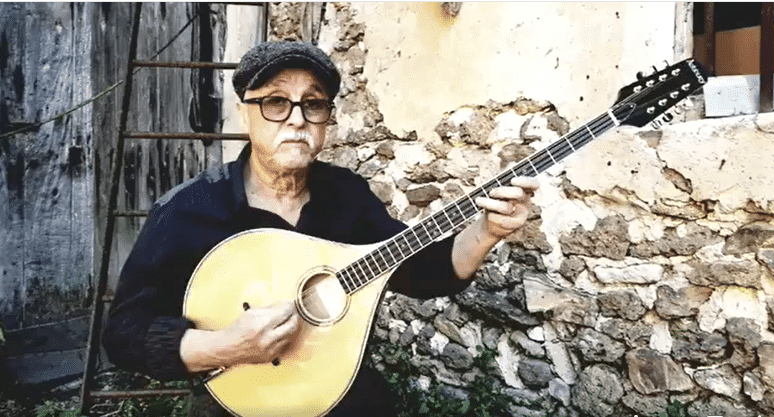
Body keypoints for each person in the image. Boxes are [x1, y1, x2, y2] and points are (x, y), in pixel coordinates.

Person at [102, 41, 539, 417]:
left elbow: (420, 271)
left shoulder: (346, 196)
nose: (297, 120)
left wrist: (486, 231)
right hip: (240, 404)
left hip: (343, 397)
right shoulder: (188, 210)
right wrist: (227, 347)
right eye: (275, 102)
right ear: (244, 115)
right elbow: (123, 335)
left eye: (313, 103)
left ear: (326, 119)